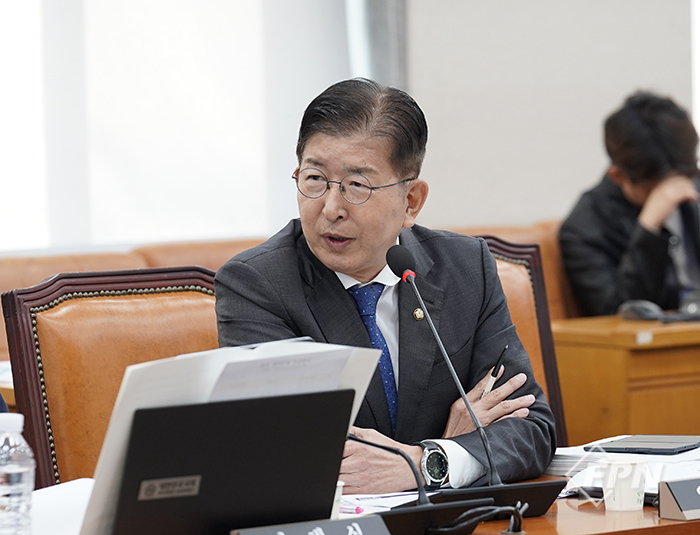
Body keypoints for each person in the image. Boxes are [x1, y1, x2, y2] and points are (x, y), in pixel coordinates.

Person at [215, 78, 556, 494]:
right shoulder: (258, 285)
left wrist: (428, 461)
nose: (331, 208)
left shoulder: (465, 268)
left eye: (357, 186)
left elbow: (532, 429)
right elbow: (290, 455)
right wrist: (447, 445)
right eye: (315, 178)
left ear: (411, 201)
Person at [560, 91, 700, 317]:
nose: (676, 191)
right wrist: (649, 228)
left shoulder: (693, 185)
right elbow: (617, 314)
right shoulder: (585, 229)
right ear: (618, 176)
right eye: (658, 187)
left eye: (683, 177)